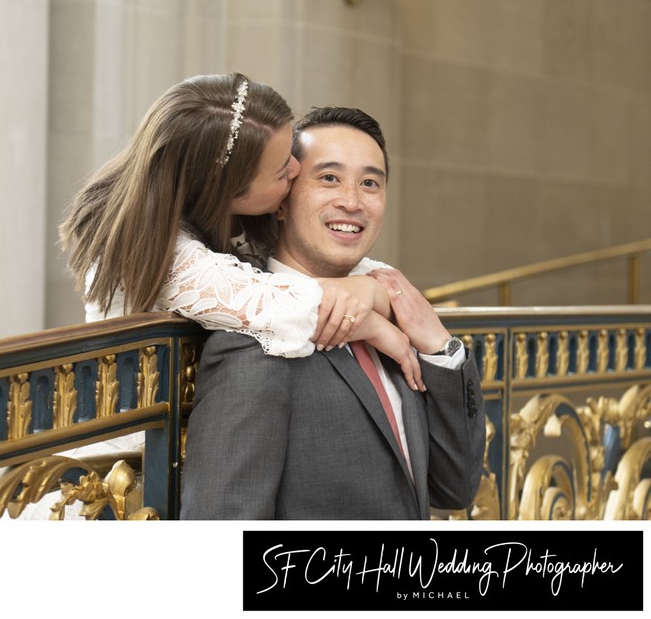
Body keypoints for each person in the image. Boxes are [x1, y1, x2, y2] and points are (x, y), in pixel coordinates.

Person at [180, 106, 486, 520]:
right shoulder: (254, 341)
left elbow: (454, 488)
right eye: (329, 178)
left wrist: (438, 347)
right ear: (282, 200)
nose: (352, 201)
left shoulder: (392, 314)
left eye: (370, 183)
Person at [59, 73, 422, 389]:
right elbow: (283, 310)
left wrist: (373, 287)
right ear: (227, 189)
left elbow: (355, 278)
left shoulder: (230, 216)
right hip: (132, 457)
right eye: (282, 171)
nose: (297, 169)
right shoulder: (152, 248)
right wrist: (377, 324)